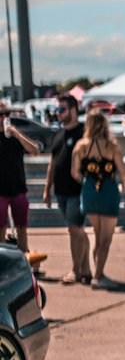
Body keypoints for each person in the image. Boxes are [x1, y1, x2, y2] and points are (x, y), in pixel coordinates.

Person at [71, 109, 125, 289]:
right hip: (108, 189)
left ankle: (99, 272)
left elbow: (74, 172)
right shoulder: (112, 146)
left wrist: (87, 181)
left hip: (89, 191)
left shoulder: (81, 146)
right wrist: (122, 186)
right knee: (106, 238)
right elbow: (123, 173)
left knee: (97, 233)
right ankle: (98, 275)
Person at [42, 94, 91, 283]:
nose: (58, 113)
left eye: (61, 109)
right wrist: (47, 189)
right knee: (77, 229)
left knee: (74, 229)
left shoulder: (83, 133)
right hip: (60, 191)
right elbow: (52, 164)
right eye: (57, 110)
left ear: (73, 109)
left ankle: (75, 270)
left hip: (78, 190)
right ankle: (85, 268)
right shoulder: (58, 134)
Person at [0, 105, 45, 263]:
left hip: (18, 188)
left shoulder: (15, 136)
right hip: (1, 191)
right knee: (1, 229)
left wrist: (17, 134)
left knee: (22, 228)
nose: (4, 117)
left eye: (6, 114)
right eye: (1, 114)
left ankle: (24, 261)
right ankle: (4, 263)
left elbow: (35, 150)